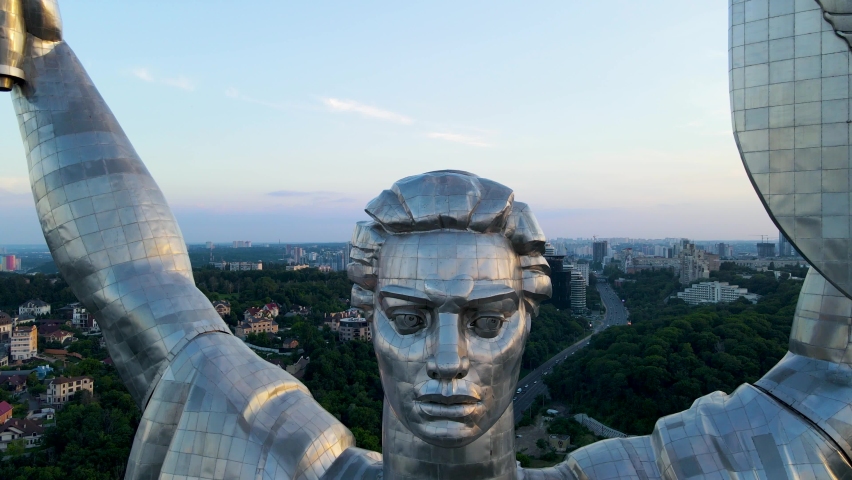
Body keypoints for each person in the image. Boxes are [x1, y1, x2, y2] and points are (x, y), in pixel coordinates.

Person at [6, 1, 852, 479]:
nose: (449, 359)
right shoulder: (277, 460)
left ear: (530, 318)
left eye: (486, 320)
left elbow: (831, 375)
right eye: (411, 319)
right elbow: (136, 282)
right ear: (367, 317)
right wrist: (39, 59)